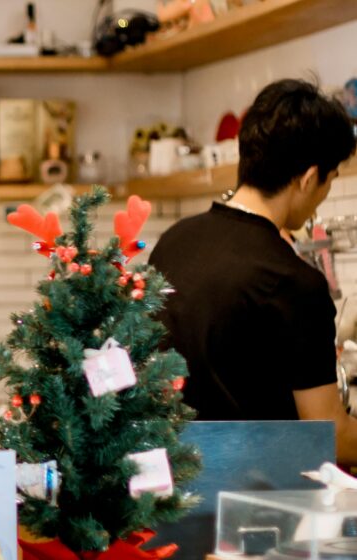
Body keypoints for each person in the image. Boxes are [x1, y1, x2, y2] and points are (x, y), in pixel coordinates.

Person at [149, 78, 357, 462]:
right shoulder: (294, 282)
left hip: (167, 483)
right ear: (308, 178)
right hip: (255, 491)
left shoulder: (174, 241)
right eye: (329, 181)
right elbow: (331, 435)